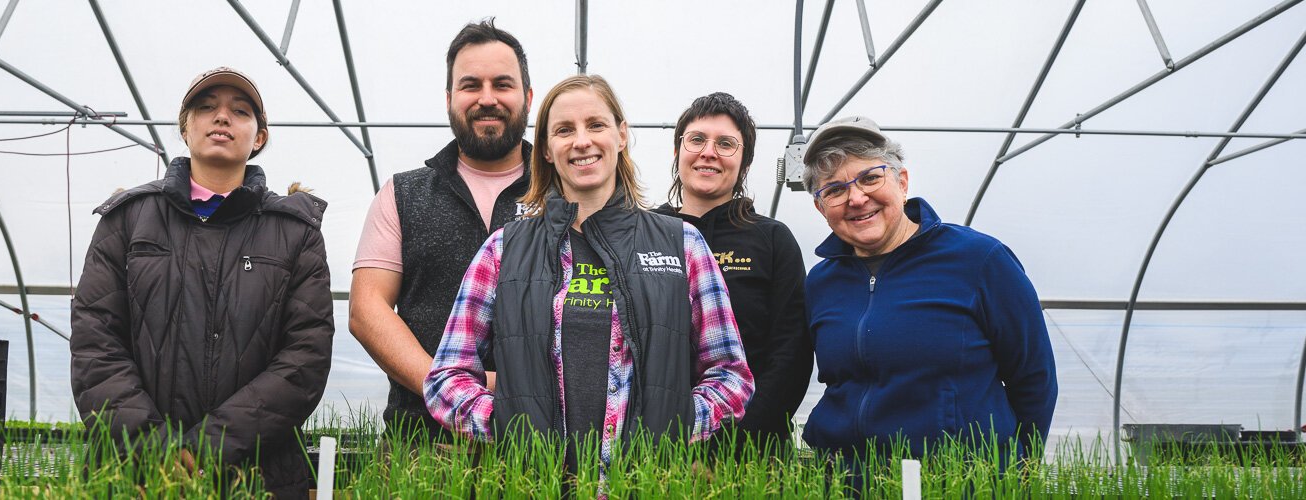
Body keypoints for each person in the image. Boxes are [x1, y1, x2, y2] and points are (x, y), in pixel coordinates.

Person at [424, 75, 755, 470]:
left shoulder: (682, 244)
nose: (582, 141)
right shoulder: (502, 250)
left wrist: (675, 426)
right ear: (546, 150)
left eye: (596, 125)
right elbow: (446, 376)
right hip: (534, 485)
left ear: (621, 135)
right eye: (564, 130)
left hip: (647, 486)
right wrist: (504, 425)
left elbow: (731, 376)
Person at [71, 67, 333, 498]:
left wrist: (206, 449)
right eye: (206, 108)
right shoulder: (129, 219)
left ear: (259, 137)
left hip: (257, 476)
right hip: (132, 473)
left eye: (240, 111)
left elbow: (305, 357)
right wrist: (153, 451)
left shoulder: (295, 231)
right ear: (186, 129)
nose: (222, 117)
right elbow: (94, 340)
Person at [800, 116, 1057, 463]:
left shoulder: (979, 260)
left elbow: (1034, 378)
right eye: (834, 190)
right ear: (820, 207)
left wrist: (1018, 470)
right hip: (849, 481)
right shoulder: (821, 282)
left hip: (957, 480)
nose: (857, 198)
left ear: (902, 182)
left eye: (871, 178)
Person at [349, 19, 533, 439]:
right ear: (450, 98)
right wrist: (450, 390)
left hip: (548, 441)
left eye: (502, 84)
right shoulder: (403, 192)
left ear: (528, 96)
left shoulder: (566, 191)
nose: (487, 98)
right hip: (422, 441)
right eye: (471, 85)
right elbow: (366, 308)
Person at [653, 92, 810, 451]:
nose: (709, 152)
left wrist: (737, 445)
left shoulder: (772, 239)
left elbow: (792, 353)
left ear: (745, 163)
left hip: (751, 449)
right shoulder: (643, 232)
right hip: (653, 448)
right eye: (697, 140)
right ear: (677, 152)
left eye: (726, 144)